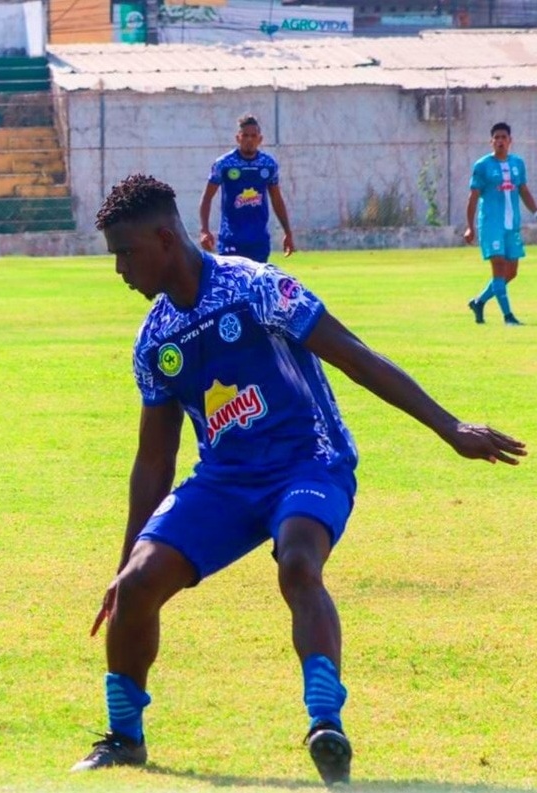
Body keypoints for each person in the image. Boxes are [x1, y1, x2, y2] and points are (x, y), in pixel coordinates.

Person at [74, 174, 524, 786]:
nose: (120, 270)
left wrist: (450, 427)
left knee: (298, 561)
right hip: (226, 480)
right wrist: (125, 563)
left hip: (308, 460)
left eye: (125, 253)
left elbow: (354, 355)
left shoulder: (256, 288)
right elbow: (154, 461)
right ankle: (124, 739)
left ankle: (325, 724)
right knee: (136, 587)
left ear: (164, 239)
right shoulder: (155, 340)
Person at [464, 122, 536, 326]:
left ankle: (479, 302)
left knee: (511, 272)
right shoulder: (482, 166)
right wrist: (470, 226)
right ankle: (508, 317)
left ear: (510, 140)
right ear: (491, 141)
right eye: (496, 137)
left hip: (511, 225)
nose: (500, 141)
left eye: (504, 137)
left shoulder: (517, 164)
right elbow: (473, 197)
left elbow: (523, 190)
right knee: (498, 266)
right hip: (491, 225)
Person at [199, 114, 295, 263]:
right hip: (230, 239)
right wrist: (204, 230)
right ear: (238, 138)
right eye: (245, 135)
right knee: (232, 277)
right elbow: (207, 198)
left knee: (257, 278)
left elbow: (276, 199)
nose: (249, 140)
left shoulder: (268, 164)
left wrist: (287, 232)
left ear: (260, 139)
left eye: (253, 136)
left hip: (258, 240)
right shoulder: (224, 164)